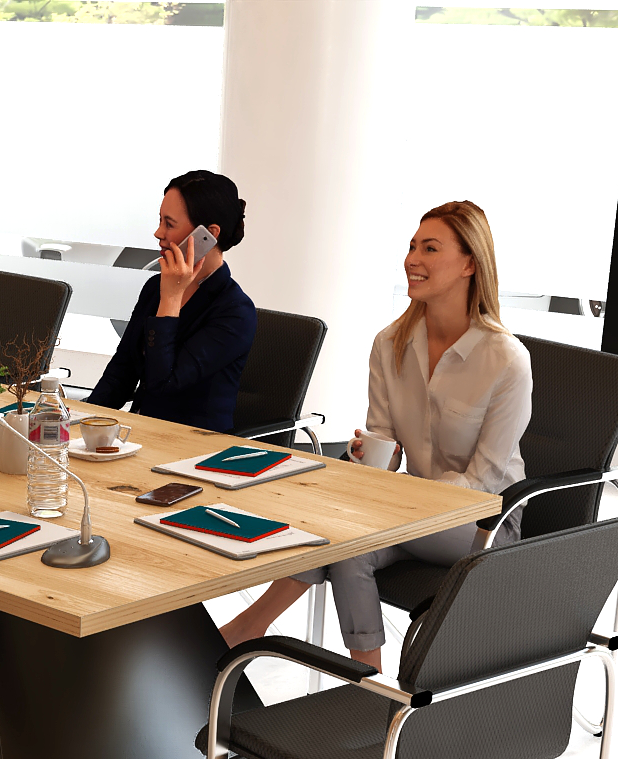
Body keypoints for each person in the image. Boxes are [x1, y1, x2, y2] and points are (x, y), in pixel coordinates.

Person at [218, 200, 531, 670]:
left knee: (347, 530)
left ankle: (247, 628)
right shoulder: (390, 344)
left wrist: (397, 504)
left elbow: (483, 482)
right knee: (348, 547)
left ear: (470, 263)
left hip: (484, 525)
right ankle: (368, 680)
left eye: (430, 248)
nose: (412, 259)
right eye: (412, 246)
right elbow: (386, 444)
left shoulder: (506, 360)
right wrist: (370, 456)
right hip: (407, 511)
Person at [86, 170, 256, 432]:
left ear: (208, 234)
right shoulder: (155, 287)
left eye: (169, 224)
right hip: (140, 434)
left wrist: (172, 298)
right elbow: (122, 370)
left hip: (190, 444)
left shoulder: (236, 311)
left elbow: (163, 386)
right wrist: (82, 420)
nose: (158, 233)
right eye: (160, 221)